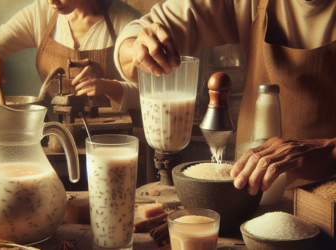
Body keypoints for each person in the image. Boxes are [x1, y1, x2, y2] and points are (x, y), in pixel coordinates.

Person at [113, 0, 336, 195]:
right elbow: (138, 37)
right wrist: (138, 47)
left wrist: (328, 152)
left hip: (327, 199)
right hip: (249, 191)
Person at [0, 0, 142, 111]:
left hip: (113, 144)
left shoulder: (127, 22)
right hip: (54, 139)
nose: (51, 1)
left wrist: (106, 86)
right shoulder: (40, 13)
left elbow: (150, 95)